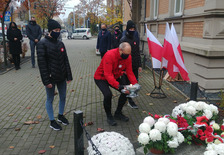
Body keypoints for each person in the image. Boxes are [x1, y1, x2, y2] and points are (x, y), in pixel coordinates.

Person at [37, 19, 73, 131]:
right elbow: (42, 65)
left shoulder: (60, 43)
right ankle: (52, 121)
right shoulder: (42, 44)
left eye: (59, 30)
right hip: (51, 78)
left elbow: (65, 60)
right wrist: (46, 81)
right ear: (50, 31)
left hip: (61, 76)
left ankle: (60, 116)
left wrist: (69, 75)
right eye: (56, 30)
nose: (58, 32)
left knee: (63, 97)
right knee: (50, 99)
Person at [94, 42, 139, 126]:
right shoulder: (109, 55)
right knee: (108, 95)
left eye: (128, 54)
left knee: (126, 91)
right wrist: (118, 86)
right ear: (120, 50)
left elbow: (129, 72)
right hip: (101, 77)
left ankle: (118, 113)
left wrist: (135, 84)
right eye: (125, 54)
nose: (127, 56)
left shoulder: (128, 57)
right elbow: (108, 74)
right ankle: (109, 116)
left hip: (114, 76)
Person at [120, 20, 142, 109]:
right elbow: (121, 56)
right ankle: (128, 100)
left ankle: (131, 99)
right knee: (127, 84)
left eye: (133, 29)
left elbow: (137, 53)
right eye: (130, 29)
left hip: (134, 66)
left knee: (134, 83)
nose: (132, 30)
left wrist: (139, 65)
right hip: (126, 67)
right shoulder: (123, 40)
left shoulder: (135, 39)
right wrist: (122, 68)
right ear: (127, 29)